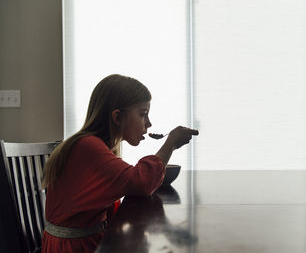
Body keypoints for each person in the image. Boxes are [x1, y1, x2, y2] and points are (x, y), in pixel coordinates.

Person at [41, 74, 198, 253]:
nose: (149, 123)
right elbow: (141, 182)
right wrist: (170, 144)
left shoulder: (96, 145)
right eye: (143, 114)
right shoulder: (88, 146)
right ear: (117, 117)